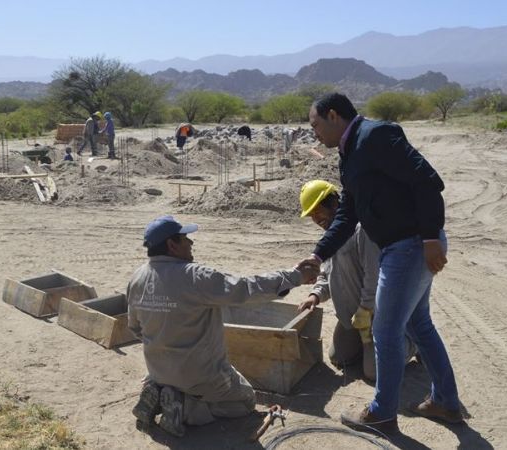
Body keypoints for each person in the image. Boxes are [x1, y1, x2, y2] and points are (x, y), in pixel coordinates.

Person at [299, 92, 461, 436]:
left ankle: (382, 414)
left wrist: (431, 237)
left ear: (332, 115)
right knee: (418, 324)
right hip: (401, 246)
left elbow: (427, 180)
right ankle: (445, 401)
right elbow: (347, 212)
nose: (314, 133)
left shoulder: (375, 136)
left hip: (411, 245)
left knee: (385, 331)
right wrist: (319, 253)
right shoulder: (349, 152)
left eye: (315, 125)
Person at [127, 215, 318, 437]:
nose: (191, 243)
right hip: (201, 376)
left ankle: (160, 391)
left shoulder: (137, 278)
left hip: (158, 371)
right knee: (245, 401)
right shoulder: (194, 276)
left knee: (178, 380)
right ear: (171, 245)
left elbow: (135, 328)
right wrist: (294, 276)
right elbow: (247, 288)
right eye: (185, 238)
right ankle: (185, 407)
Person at [297, 180, 416, 381]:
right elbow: (327, 274)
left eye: (318, 212)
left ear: (334, 203)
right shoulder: (331, 237)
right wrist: (315, 295)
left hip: (372, 316)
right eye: (311, 215)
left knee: (373, 373)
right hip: (351, 318)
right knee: (338, 357)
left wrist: (366, 310)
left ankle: (412, 341)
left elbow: (374, 276)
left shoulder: (362, 230)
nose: (316, 219)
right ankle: (370, 348)